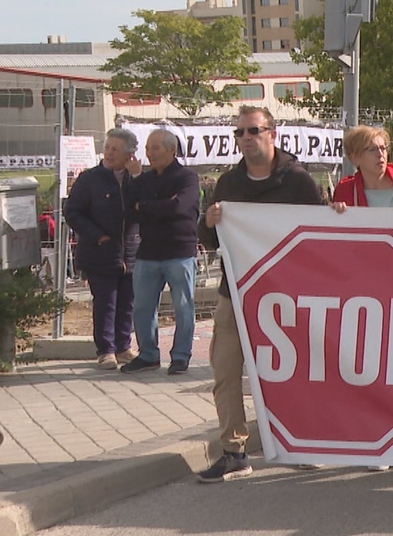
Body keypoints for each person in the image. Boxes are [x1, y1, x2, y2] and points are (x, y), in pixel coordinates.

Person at [196, 107, 326, 483]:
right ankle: (234, 452)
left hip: (287, 295)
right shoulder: (228, 184)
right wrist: (208, 222)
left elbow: (316, 236)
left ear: (273, 133)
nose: (246, 138)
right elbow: (209, 239)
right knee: (225, 370)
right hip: (234, 292)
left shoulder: (299, 182)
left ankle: (302, 443)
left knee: (296, 370)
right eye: (240, 133)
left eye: (254, 130)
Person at [122, 130, 200, 375]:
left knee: (183, 307)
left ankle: (180, 356)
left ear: (170, 150)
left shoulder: (187, 178)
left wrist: (145, 206)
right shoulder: (143, 180)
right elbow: (130, 210)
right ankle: (147, 355)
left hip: (180, 252)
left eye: (155, 148)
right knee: (143, 307)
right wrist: (153, 205)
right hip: (148, 253)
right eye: (148, 148)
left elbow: (178, 207)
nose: (150, 153)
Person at [65, 128, 141, 370]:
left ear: (130, 154)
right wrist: (98, 236)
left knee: (127, 302)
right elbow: (73, 213)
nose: (109, 153)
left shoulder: (136, 179)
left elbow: (145, 206)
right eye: (107, 147)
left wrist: (138, 178)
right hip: (100, 252)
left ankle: (123, 346)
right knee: (106, 303)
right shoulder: (90, 179)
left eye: (115, 149)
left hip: (131, 253)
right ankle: (106, 350)